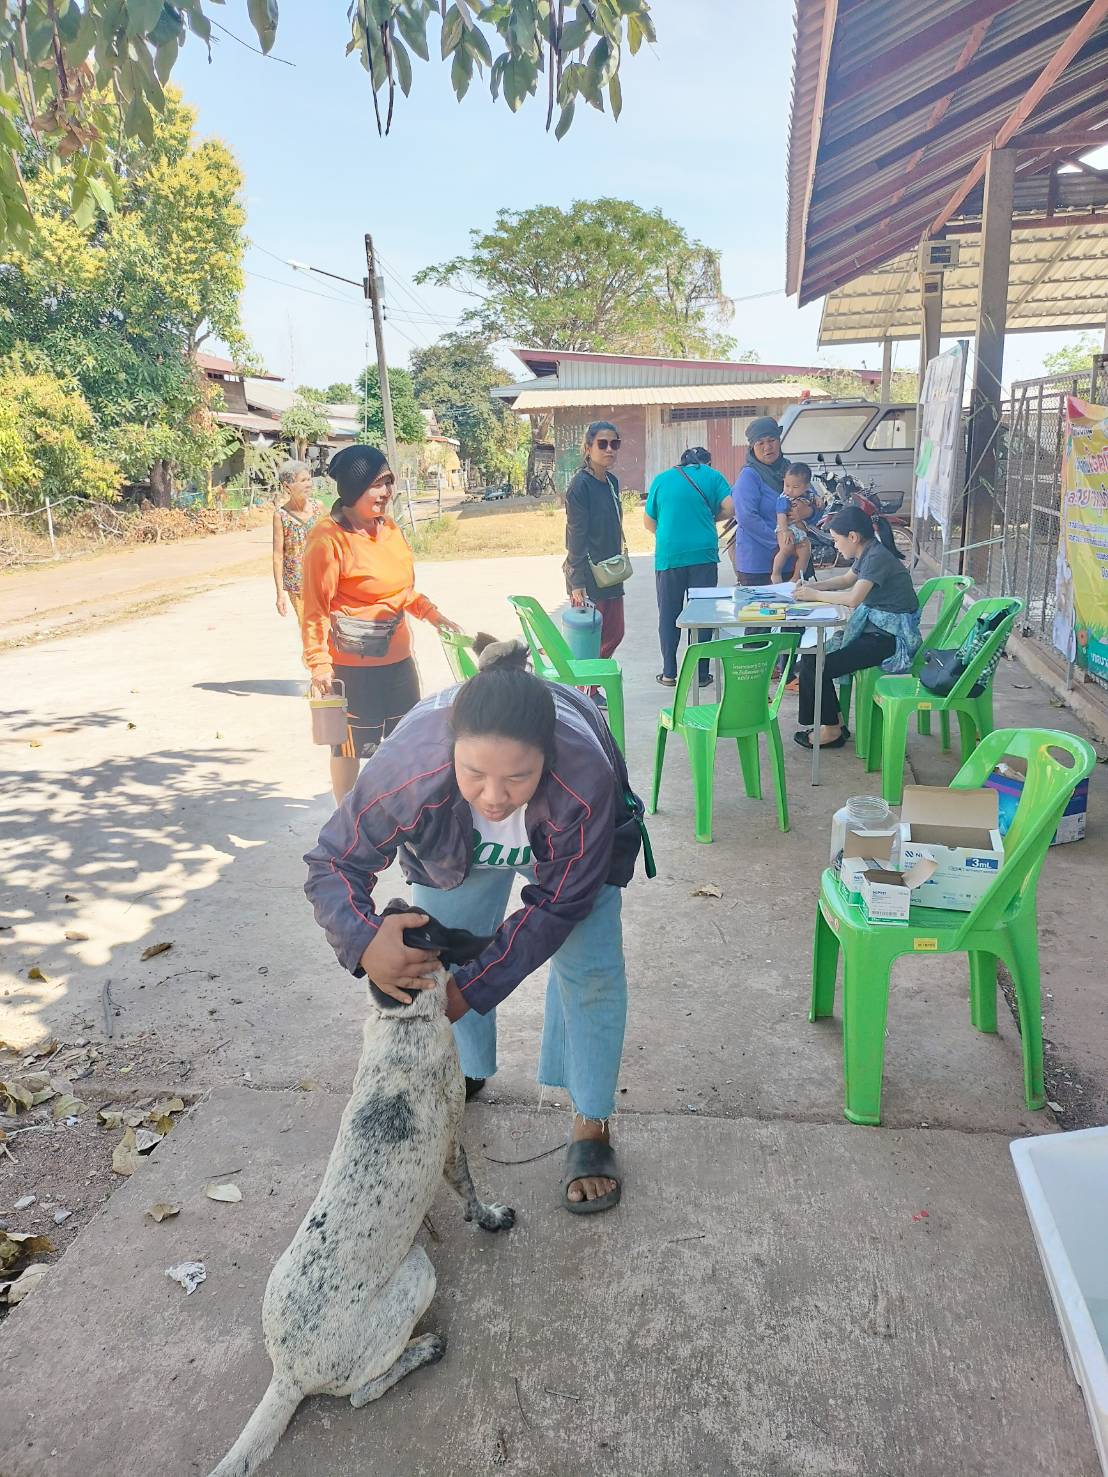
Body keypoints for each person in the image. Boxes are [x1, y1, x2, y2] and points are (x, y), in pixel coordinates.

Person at [304, 637, 647, 1216]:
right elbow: (332, 860)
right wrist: (365, 943)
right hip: (451, 847)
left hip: (569, 853)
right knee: (435, 958)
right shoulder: (410, 767)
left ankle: (591, 1120)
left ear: (547, 759)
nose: (493, 797)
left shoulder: (581, 777)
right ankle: (465, 1071)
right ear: (450, 752)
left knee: (591, 971)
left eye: (518, 777)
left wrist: (471, 991)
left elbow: (558, 905)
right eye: (474, 773)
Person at [301, 444, 459, 803]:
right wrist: (319, 663)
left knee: (408, 740)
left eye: (389, 482)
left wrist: (433, 615)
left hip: (399, 662)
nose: (386, 492)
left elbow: (403, 591)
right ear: (353, 489)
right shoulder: (327, 540)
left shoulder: (389, 529)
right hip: (353, 669)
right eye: (376, 484)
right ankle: (345, 815)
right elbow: (314, 609)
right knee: (348, 748)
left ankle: (403, 810)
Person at [792, 506, 921, 750]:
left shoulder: (876, 557)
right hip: (875, 632)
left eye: (836, 540)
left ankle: (831, 730)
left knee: (816, 664)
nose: (835, 546)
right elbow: (845, 580)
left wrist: (815, 595)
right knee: (810, 659)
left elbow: (853, 598)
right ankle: (834, 723)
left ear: (853, 536)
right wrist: (811, 587)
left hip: (888, 639)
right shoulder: (868, 552)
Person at [644, 446, 734, 687]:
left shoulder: (662, 479)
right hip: (703, 554)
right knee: (702, 614)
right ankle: (701, 674)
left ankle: (669, 673)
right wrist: (709, 518)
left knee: (669, 614)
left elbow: (649, 521)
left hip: (669, 555)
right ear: (706, 463)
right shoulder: (713, 476)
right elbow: (730, 507)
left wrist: (670, 534)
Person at [564, 421, 628, 696]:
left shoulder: (611, 482)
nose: (609, 449)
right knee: (588, 640)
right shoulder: (580, 486)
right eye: (602, 444)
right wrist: (576, 581)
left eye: (615, 443)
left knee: (615, 632)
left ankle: (590, 688)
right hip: (588, 575)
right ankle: (584, 693)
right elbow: (575, 535)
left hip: (611, 571)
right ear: (588, 448)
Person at [730, 415, 790, 584]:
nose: (767, 447)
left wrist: (809, 511)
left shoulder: (790, 469)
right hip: (759, 566)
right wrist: (779, 542)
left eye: (772, 440)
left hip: (792, 562)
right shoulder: (749, 476)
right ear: (752, 447)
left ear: (779, 441)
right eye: (760, 443)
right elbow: (747, 517)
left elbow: (812, 501)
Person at [272, 459, 322, 622]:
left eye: (309, 479)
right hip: (298, 585)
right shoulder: (281, 516)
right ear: (287, 487)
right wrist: (280, 594)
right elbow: (278, 556)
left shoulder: (319, 508)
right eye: (303, 480)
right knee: (309, 629)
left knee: (331, 628)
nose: (309, 484)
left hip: (324, 580)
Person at [770, 462, 819, 583]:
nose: (790, 490)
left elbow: (815, 499)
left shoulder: (808, 494)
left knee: (805, 552)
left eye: (795, 487)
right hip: (786, 528)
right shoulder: (784, 498)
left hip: (801, 531)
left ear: (806, 486)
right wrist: (785, 531)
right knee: (786, 548)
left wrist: (818, 499)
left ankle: (796, 577)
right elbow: (781, 515)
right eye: (787, 485)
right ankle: (776, 573)